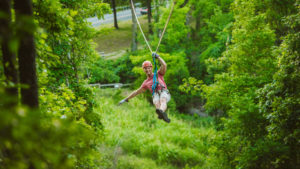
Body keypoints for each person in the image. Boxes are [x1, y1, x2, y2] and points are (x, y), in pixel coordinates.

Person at [118, 53, 171, 123]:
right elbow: (137, 92)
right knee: (156, 102)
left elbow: (164, 65)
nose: (147, 70)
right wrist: (126, 99)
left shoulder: (158, 74)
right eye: (145, 68)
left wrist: (158, 57)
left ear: (151, 68)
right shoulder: (145, 83)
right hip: (155, 94)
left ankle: (161, 112)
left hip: (163, 91)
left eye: (149, 68)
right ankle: (162, 114)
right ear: (143, 70)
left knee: (162, 100)